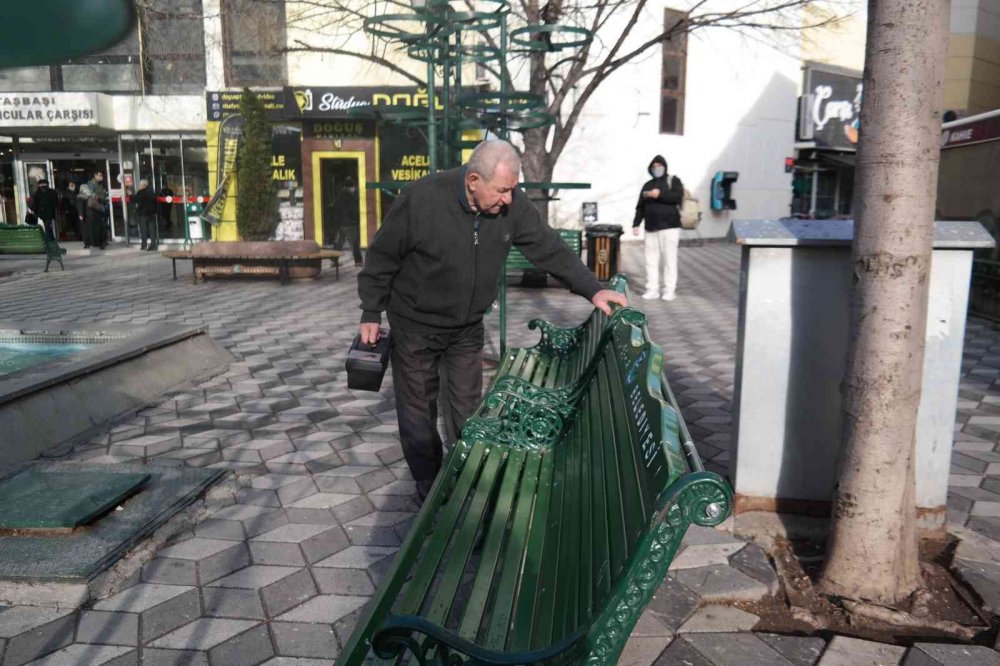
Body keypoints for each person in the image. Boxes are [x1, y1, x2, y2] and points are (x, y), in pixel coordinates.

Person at [358, 140, 628, 501]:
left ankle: (466, 482)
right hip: (416, 326)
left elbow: (547, 247)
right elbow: (382, 255)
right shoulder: (421, 198)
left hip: (466, 328)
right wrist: (371, 311)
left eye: (512, 189)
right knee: (418, 414)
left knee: (468, 412)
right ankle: (429, 485)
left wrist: (592, 290)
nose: (508, 199)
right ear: (473, 180)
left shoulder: (509, 207)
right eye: (502, 190)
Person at [632, 155, 684, 301]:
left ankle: (669, 290)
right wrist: (636, 223)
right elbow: (640, 206)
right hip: (651, 228)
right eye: (654, 167)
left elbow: (677, 197)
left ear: (665, 166)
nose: (657, 169)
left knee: (669, 259)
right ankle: (652, 289)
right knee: (650, 260)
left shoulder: (673, 181)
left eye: (659, 166)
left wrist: (660, 194)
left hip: (669, 227)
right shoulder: (647, 185)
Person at [334, 177, 363, 266]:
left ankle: (334, 260)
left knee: (339, 242)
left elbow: (336, 209)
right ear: (351, 187)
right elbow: (353, 210)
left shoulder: (339, 196)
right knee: (354, 242)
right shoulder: (351, 196)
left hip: (341, 223)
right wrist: (354, 220)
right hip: (350, 223)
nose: (354, 189)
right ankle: (358, 261)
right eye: (354, 187)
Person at [83, 170, 107, 250]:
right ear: (95, 175)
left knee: (102, 226)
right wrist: (102, 197)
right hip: (94, 208)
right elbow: (92, 195)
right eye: (100, 175)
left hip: (98, 207)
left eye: (102, 175)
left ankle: (102, 242)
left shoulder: (100, 184)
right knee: (92, 227)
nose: (101, 177)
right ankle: (91, 243)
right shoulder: (91, 183)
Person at [134, 178, 159, 251]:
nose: (140, 186)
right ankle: (153, 246)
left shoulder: (141, 192)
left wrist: (130, 195)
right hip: (151, 214)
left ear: (143, 185)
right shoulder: (152, 192)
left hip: (143, 214)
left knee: (144, 230)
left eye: (140, 185)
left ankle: (144, 245)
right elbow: (155, 203)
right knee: (152, 230)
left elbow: (135, 200)